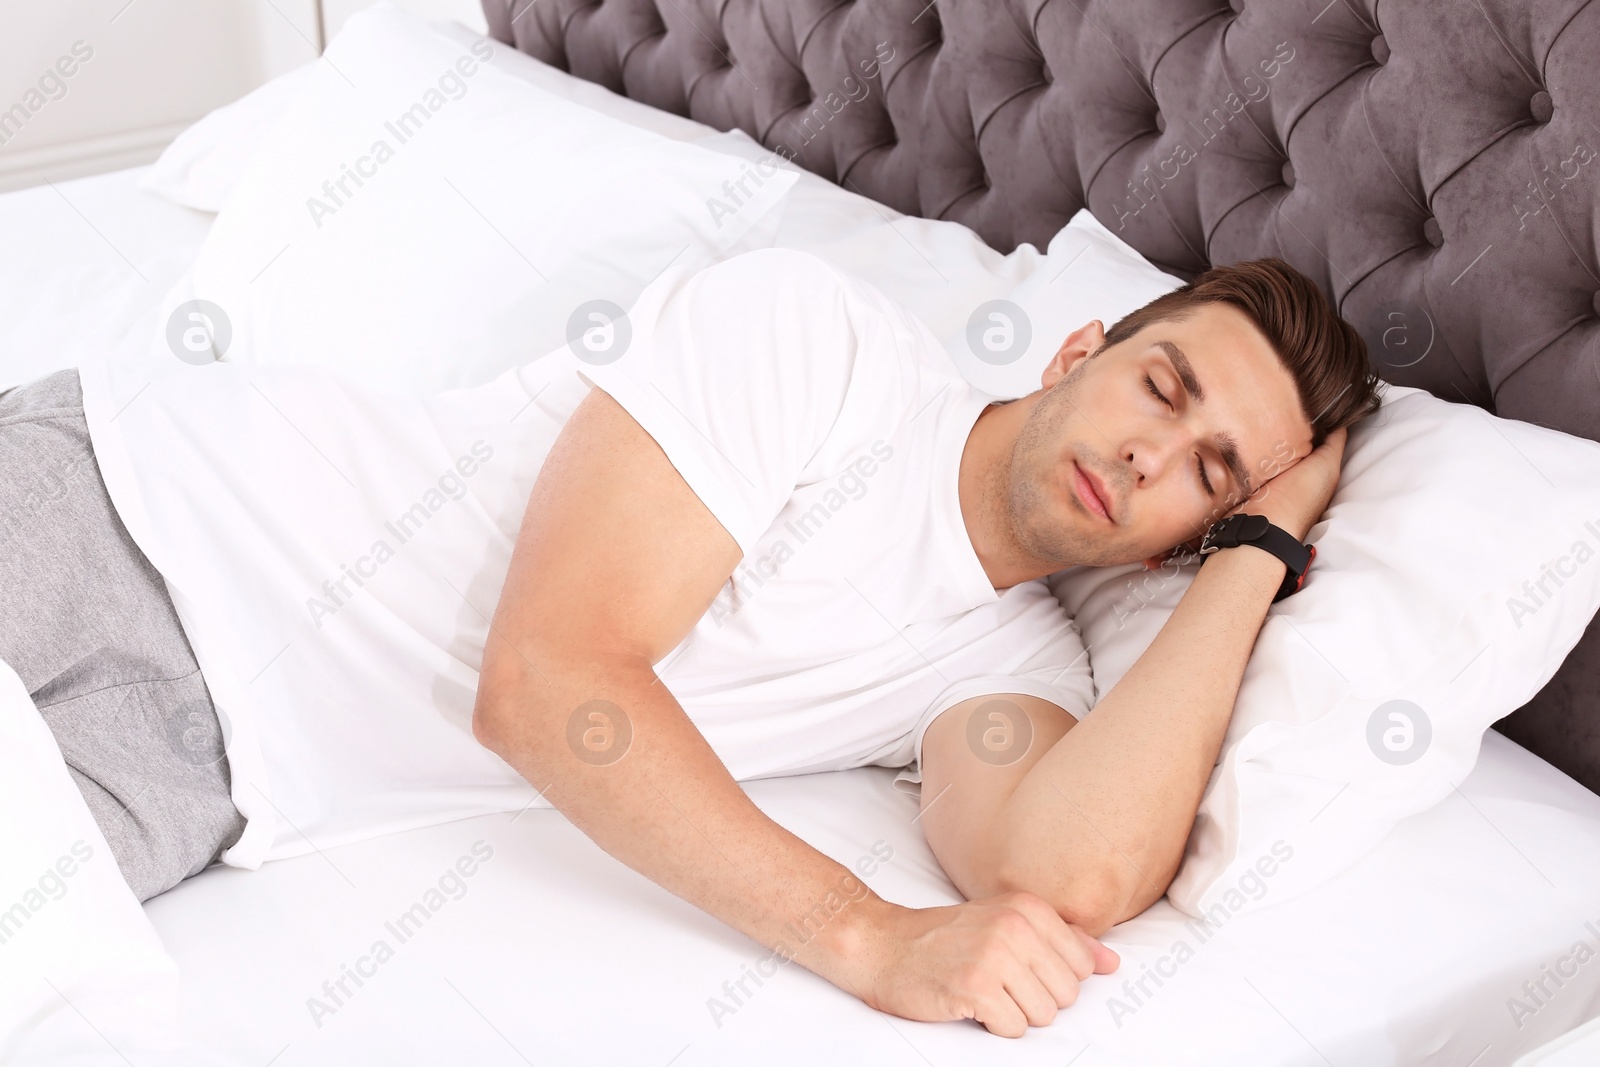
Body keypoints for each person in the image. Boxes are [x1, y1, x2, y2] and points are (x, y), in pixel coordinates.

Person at [1, 247, 1377, 1037]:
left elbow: (1072, 869)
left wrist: (1252, 561)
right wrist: (867, 936)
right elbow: (548, 684)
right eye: (1162, 386)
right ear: (1078, 350)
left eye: (1208, 472)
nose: (1146, 457)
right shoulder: (817, 341)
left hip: (214, 780)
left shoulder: (1011, 671)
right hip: (132, 514)